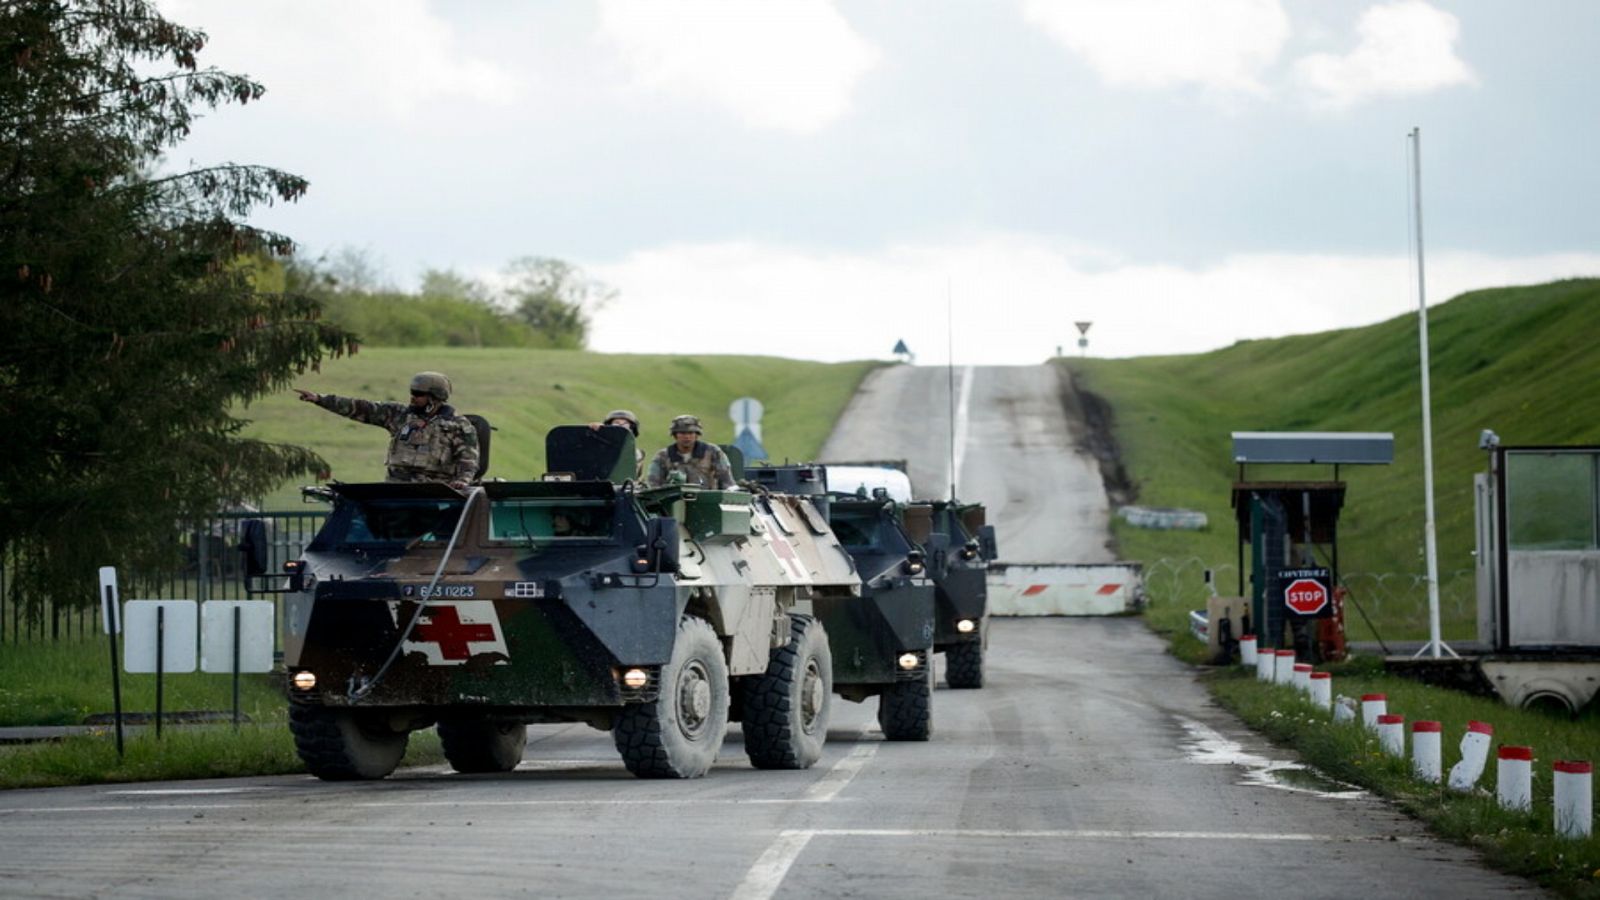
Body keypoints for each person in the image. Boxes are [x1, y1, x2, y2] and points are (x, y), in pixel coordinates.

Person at [294, 371, 479, 490]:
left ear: (434, 397)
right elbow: (361, 408)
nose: (412, 398)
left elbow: (468, 460)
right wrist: (320, 399)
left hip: (432, 493)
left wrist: (463, 481)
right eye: (412, 393)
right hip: (395, 490)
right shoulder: (398, 415)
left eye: (418, 394)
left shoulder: (458, 426)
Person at [646, 414, 735, 489]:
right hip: (672, 504)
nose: (687, 437)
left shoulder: (712, 452)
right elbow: (653, 484)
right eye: (682, 433)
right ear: (675, 435)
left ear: (697, 435)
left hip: (706, 502)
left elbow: (727, 481)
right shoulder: (663, 456)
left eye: (691, 433)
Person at [589, 409, 644, 479]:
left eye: (625, 424)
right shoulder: (599, 448)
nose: (620, 427)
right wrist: (596, 431)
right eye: (616, 423)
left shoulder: (636, 454)